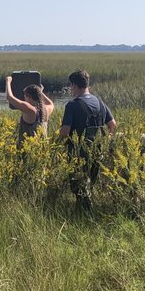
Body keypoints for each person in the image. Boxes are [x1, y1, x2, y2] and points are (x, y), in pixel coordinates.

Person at [56, 69, 117, 211]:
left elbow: (65, 132)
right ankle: (86, 211)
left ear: (74, 85)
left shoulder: (72, 105)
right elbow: (112, 125)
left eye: (71, 86)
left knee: (78, 184)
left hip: (78, 153)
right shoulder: (100, 102)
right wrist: (106, 141)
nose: (70, 89)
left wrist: (56, 146)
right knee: (89, 183)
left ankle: (83, 213)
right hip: (97, 150)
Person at [5, 76, 54, 141]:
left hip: (27, 148)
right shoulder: (46, 109)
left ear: (28, 96)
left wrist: (8, 82)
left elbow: (9, 97)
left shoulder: (29, 108)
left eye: (25, 96)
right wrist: (40, 92)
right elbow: (51, 103)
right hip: (42, 147)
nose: (24, 98)